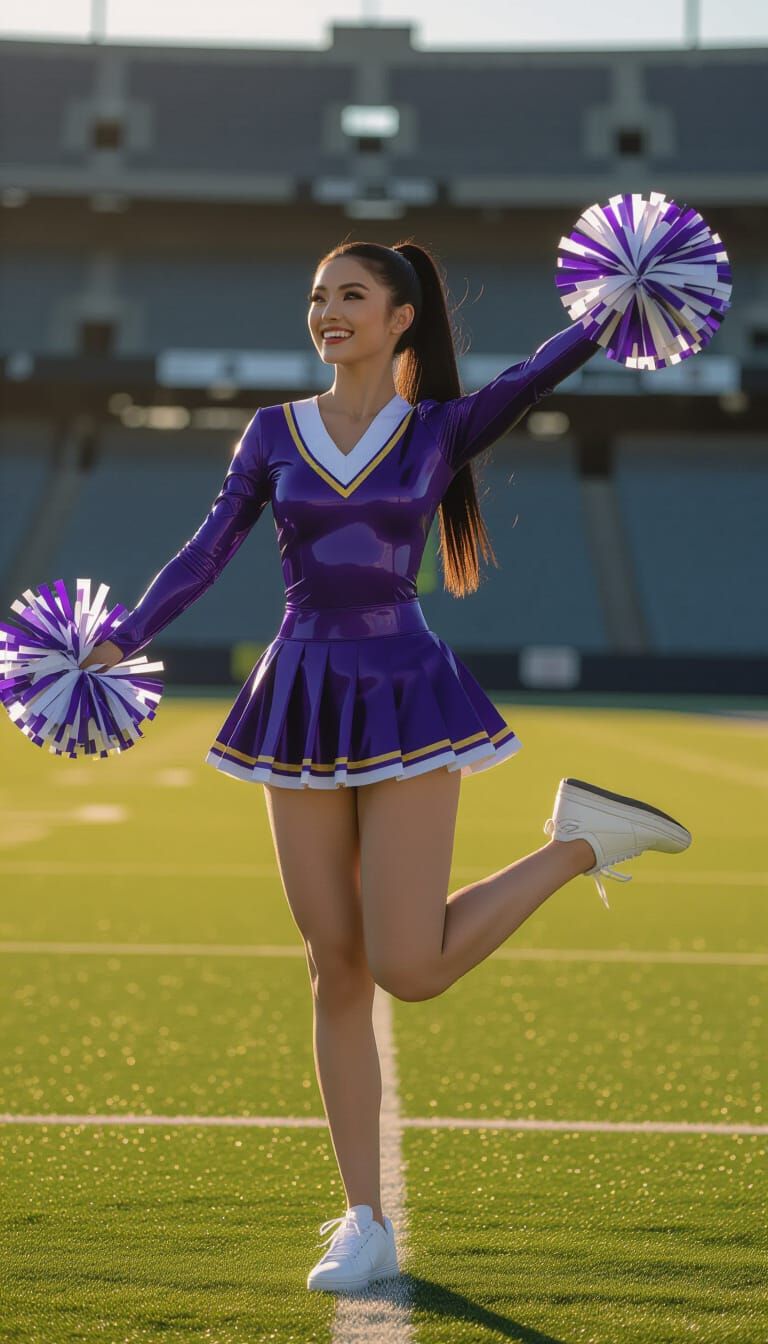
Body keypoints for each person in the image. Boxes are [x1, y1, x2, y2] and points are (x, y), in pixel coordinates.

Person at [80, 240, 692, 1294]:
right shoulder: (273, 432)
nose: (328, 312)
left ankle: (579, 843)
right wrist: (125, 631)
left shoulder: (438, 430)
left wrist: (618, 301)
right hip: (299, 698)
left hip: (405, 692)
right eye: (316, 296)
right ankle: (364, 1220)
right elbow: (208, 548)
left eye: (350, 297)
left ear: (400, 318)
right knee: (335, 965)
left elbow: (532, 374)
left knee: (409, 967)